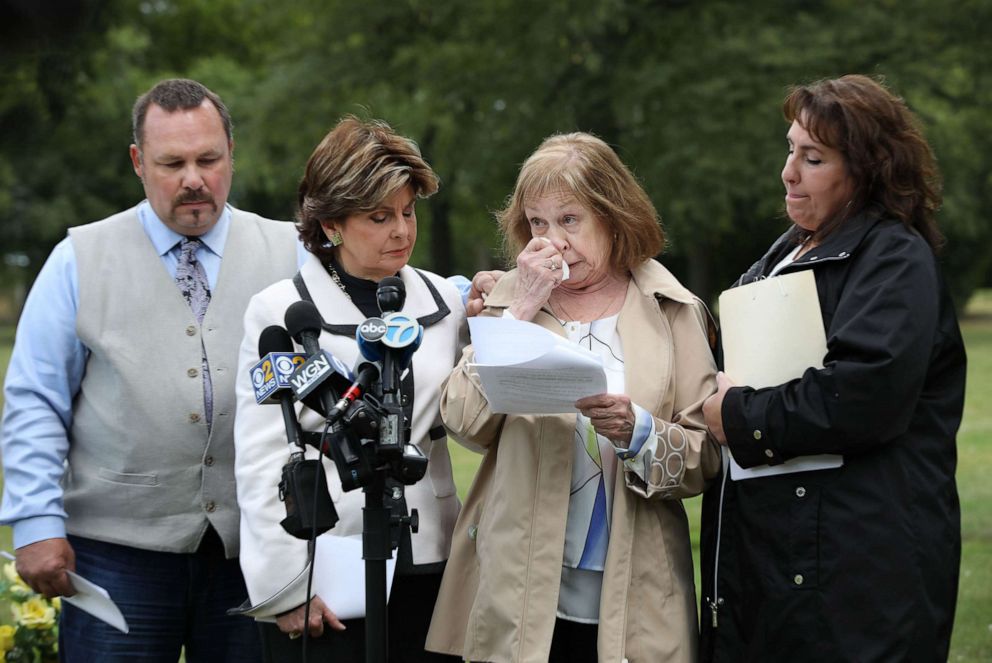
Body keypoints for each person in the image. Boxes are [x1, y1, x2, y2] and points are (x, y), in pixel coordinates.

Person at [0, 79, 304, 661]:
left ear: (231, 156)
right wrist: (37, 520)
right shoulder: (78, 259)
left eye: (209, 159)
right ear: (139, 162)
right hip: (117, 553)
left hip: (262, 548)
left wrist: (473, 293)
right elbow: (36, 399)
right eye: (173, 162)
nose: (194, 178)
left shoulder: (293, 251)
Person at [699, 75, 967, 662]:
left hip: (856, 576)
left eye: (813, 157)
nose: (788, 172)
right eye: (790, 149)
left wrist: (738, 415)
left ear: (868, 169)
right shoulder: (786, 252)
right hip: (778, 566)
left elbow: (863, 394)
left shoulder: (894, 258)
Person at [425, 132, 721, 663]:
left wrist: (639, 432)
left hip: (637, 592)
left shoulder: (674, 308)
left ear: (612, 216)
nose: (553, 242)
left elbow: (706, 459)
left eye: (569, 220)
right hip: (519, 589)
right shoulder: (511, 298)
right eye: (537, 223)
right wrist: (518, 309)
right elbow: (463, 422)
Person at [233, 116, 467, 663]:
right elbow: (264, 454)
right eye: (379, 216)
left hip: (433, 563)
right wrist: (286, 589)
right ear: (332, 222)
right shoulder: (275, 311)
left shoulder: (447, 301)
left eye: (408, 212)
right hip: (326, 572)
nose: (402, 231)